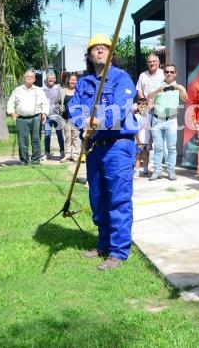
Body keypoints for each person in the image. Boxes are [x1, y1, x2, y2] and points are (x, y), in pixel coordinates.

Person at [69, 34, 138, 271]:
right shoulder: (83, 83)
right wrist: (83, 123)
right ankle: (103, 244)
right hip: (94, 149)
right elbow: (73, 108)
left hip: (118, 146)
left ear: (111, 53)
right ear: (89, 55)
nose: (100, 51)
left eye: (104, 48)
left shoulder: (121, 78)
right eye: (95, 49)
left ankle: (118, 252)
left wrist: (100, 121)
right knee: (98, 199)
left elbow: (121, 108)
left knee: (118, 199)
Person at [147, 64, 188, 181]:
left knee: (171, 147)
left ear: (175, 74)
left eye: (172, 72)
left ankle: (171, 171)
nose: (169, 74)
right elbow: (148, 96)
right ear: (164, 73)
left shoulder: (178, 86)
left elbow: (186, 99)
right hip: (157, 119)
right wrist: (157, 91)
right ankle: (158, 171)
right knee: (158, 147)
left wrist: (179, 89)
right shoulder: (157, 85)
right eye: (167, 72)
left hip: (171, 120)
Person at [6, 70, 49, 165]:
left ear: (34, 79)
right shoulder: (17, 90)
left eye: (31, 77)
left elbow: (45, 103)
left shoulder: (39, 90)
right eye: (27, 77)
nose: (29, 78)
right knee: (22, 141)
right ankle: (24, 161)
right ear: (24, 79)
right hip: (21, 119)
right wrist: (12, 113)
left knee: (36, 140)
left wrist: (44, 114)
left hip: (36, 118)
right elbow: (10, 103)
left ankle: (35, 160)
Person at [42, 72, 65, 161]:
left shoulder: (59, 88)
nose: (51, 80)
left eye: (52, 78)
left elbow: (62, 101)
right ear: (46, 80)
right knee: (47, 135)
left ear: (55, 79)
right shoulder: (42, 89)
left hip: (57, 116)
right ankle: (47, 152)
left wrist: (61, 113)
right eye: (49, 78)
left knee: (59, 134)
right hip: (47, 116)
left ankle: (62, 151)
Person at [59, 74, 81, 163]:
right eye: (72, 80)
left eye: (75, 80)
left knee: (76, 137)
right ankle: (67, 155)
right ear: (68, 81)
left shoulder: (79, 91)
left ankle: (75, 155)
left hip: (76, 119)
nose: (73, 82)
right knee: (67, 137)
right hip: (65, 118)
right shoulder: (63, 91)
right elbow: (58, 102)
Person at [134, 96, 152, 178]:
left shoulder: (150, 116)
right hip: (138, 141)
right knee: (138, 155)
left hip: (147, 140)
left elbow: (151, 129)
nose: (143, 108)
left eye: (145, 107)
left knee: (146, 155)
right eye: (141, 106)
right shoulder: (136, 117)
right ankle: (136, 171)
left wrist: (151, 138)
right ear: (137, 107)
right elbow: (135, 130)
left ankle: (145, 170)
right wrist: (138, 140)